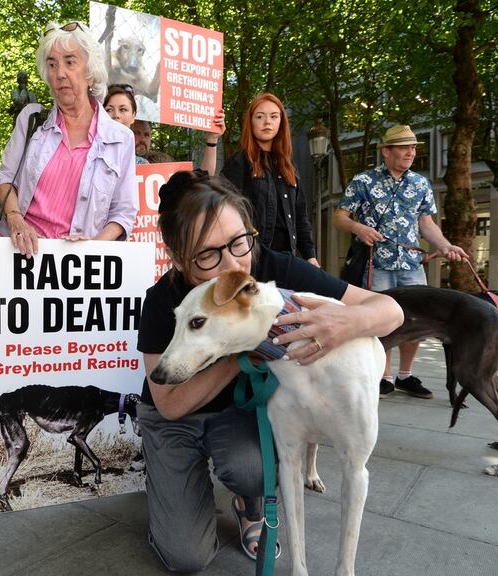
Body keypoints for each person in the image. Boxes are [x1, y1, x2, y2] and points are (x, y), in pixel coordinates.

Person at [138, 171, 402, 571]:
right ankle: (171, 486)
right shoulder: (163, 301)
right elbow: (170, 403)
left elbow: (391, 310)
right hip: (174, 420)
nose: (233, 265)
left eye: (239, 242)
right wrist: (243, 347)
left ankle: (249, 502)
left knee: (255, 470)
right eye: (208, 255)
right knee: (185, 557)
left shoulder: (274, 268)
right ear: (176, 258)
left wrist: (346, 323)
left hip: (236, 415)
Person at [333, 124, 467, 400]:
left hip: (412, 264)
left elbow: (426, 224)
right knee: (382, 321)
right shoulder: (363, 181)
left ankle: (406, 375)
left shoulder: (420, 183)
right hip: (377, 264)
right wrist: (359, 229)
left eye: (414, 147)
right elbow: (339, 217)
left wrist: (445, 245)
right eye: (404, 147)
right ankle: (385, 376)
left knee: (417, 321)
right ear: (386, 151)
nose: (411, 152)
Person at [0, 20, 137, 257]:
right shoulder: (31, 120)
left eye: (70, 62)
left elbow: (123, 214)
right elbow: (5, 179)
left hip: (74, 271)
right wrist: (15, 219)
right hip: (16, 257)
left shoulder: (121, 138)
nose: (60, 73)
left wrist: (91, 249)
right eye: (52, 64)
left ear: (90, 73)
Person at [221, 92, 318, 265]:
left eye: (274, 116)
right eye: (260, 116)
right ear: (251, 122)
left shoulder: (289, 166)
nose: (267, 122)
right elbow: (225, 210)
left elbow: (301, 216)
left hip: (289, 258)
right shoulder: (238, 162)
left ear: (281, 122)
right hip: (255, 258)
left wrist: (310, 256)